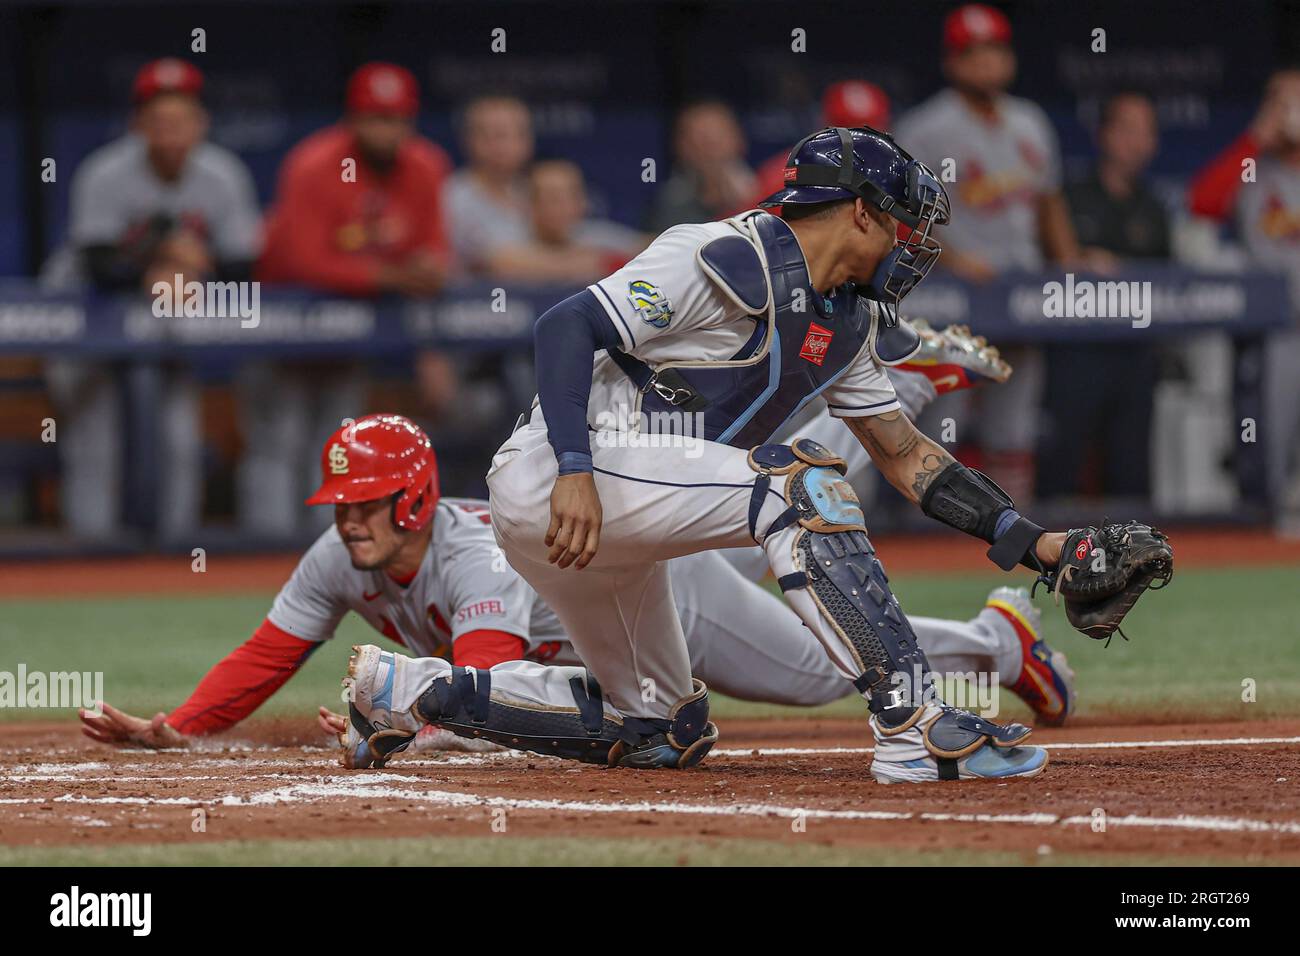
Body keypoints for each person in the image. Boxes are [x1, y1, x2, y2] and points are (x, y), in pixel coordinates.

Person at [332, 126, 1128, 785]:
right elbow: (565, 328)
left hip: (628, 514)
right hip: (563, 476)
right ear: (857, 211)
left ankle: (407, 692)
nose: (913, 243)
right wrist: (576, 467)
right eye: (901, 221)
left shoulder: (847, 323)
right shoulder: (718, 253)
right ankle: (913, 725)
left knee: (660, 728)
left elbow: (909, 458)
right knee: (800, 480)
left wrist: (1041, 546)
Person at [77, 411, 1075, 754]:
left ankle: (995, 639)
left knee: (817, 675)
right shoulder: (343, 554)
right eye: (341, 503)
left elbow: (486, 673)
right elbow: (269, 650)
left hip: (654, 597)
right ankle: (991, 638)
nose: (347, 519)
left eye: (367, 501)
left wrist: (408, 718)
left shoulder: (467, 554)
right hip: (593, 623)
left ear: (415, 500)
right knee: (794, 673)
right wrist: (185, 726)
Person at [43, 58, 261, 540]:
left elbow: (242, 265)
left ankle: (175, 555)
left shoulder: (222, 175)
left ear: (201, 122)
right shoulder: (105, 173)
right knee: (94, 442)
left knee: (179, 440)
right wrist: (161, 255)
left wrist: (187, 270)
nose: (170, 135)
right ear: (137, 125)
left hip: (165, 318)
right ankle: (91, 555)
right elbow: (100, 266)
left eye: (181, 121)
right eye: (158, 122)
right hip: (88, 321)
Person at [894, 4, 1094, 502]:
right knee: (945, 423)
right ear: (953, 62)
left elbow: (1049, 203)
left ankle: (1013, 529)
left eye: (995, 51)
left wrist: (1067, 261)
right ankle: (935, 540)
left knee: (1015, 425)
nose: (986, 63)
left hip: (1020, 291)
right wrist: (956, 261)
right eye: (973, 53)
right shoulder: (927, 127)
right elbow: (903, 213)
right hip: (950, 298)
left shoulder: (1030, 122)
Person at [248, 62, 453, 537]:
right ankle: (262, 552)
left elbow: (435, 246)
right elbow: (305, 261)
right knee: (279, 441)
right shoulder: (314, 163)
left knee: (338, 443)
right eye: (376, 118)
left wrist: (428, 266)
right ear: (353, 119)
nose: (388, 130)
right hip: (283, 320)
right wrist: (392, 275)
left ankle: (325, 553)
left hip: (352, 326)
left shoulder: (426, 165)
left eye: (397, 118)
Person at [1039, 92, 1171, 500]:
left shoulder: (1154, 207)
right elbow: (1044, 269)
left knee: (1131, 471)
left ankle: (1138, 557)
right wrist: (1077, 263)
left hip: (1133, 352)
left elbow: (1171, 285)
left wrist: (1122, 271)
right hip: (1074, 350)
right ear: (1104, 134)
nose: (1138, 141)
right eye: (1127, 129)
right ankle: (1051, 554)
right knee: (1060, 467)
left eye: (1147, 131)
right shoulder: (1069, 197)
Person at [1188, 67, 1300, 520]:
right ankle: (1267, 523)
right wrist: (1258, 136)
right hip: (1278, 324)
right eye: (1284, 101)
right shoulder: (1254, 166)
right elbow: (1204, 202)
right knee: (1271, 434)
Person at [484, 159, 648, 284]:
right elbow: (500, 262)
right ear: (531, 205)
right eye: (554, 198)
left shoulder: (594, 235)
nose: (565, 207)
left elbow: (647, 246)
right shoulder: (511, 232)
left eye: (572, 197)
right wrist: (580, 264)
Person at [750, 80, 892, 208]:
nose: (857, 143)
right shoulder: (782, 177)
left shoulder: (896, 181)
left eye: (867, 134)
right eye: (847, 132)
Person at [441, 95, 536, 274]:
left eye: (516, 134)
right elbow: (496, 264)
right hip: (474, 300)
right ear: (471, 140)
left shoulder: (536, 191)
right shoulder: (452, 196)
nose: (503, 145)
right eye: (493, 135)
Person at [644, 100, 757, 235]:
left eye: (717, 139)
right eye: (699, 140)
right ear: (680, 147)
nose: (711, 151)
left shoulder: (767, 191)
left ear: (739, 140)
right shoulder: (669, 204)